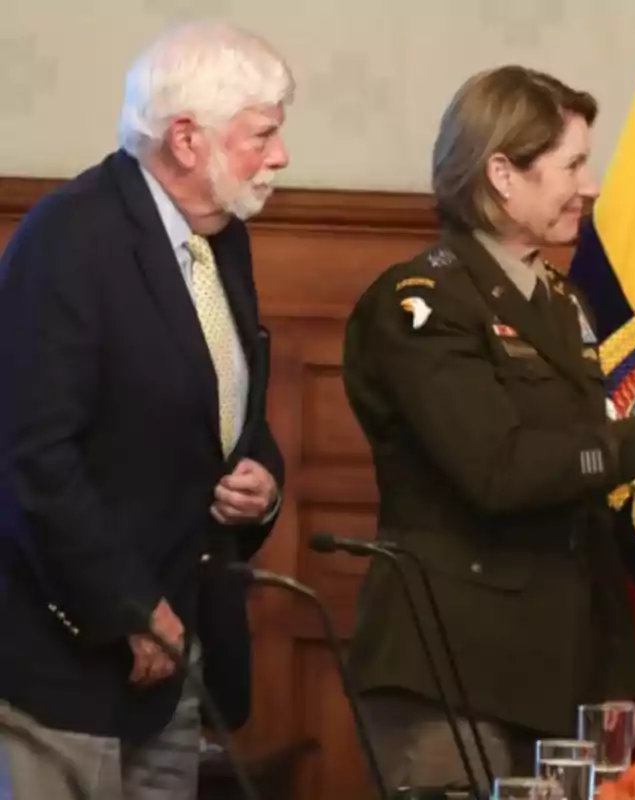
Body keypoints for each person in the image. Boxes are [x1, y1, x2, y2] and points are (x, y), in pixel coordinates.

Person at [341, 65, 635, 793]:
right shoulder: (420, 304)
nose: (591, 185)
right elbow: (499, 469)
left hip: (560, 677)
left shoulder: (560, 303)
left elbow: (585, 505)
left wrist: (616, 676)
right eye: (573, 165)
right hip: (450, 679)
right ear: (502, 174)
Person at [0, 21, 291, 800]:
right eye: (262, 134)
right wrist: (128, 608)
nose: (281, 156)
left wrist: (264, 478)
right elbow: (33, 460)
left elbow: (229, 410)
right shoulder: (69, 240)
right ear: (187, 139)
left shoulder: (221, 237)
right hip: (66, 667)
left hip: (179, 661)